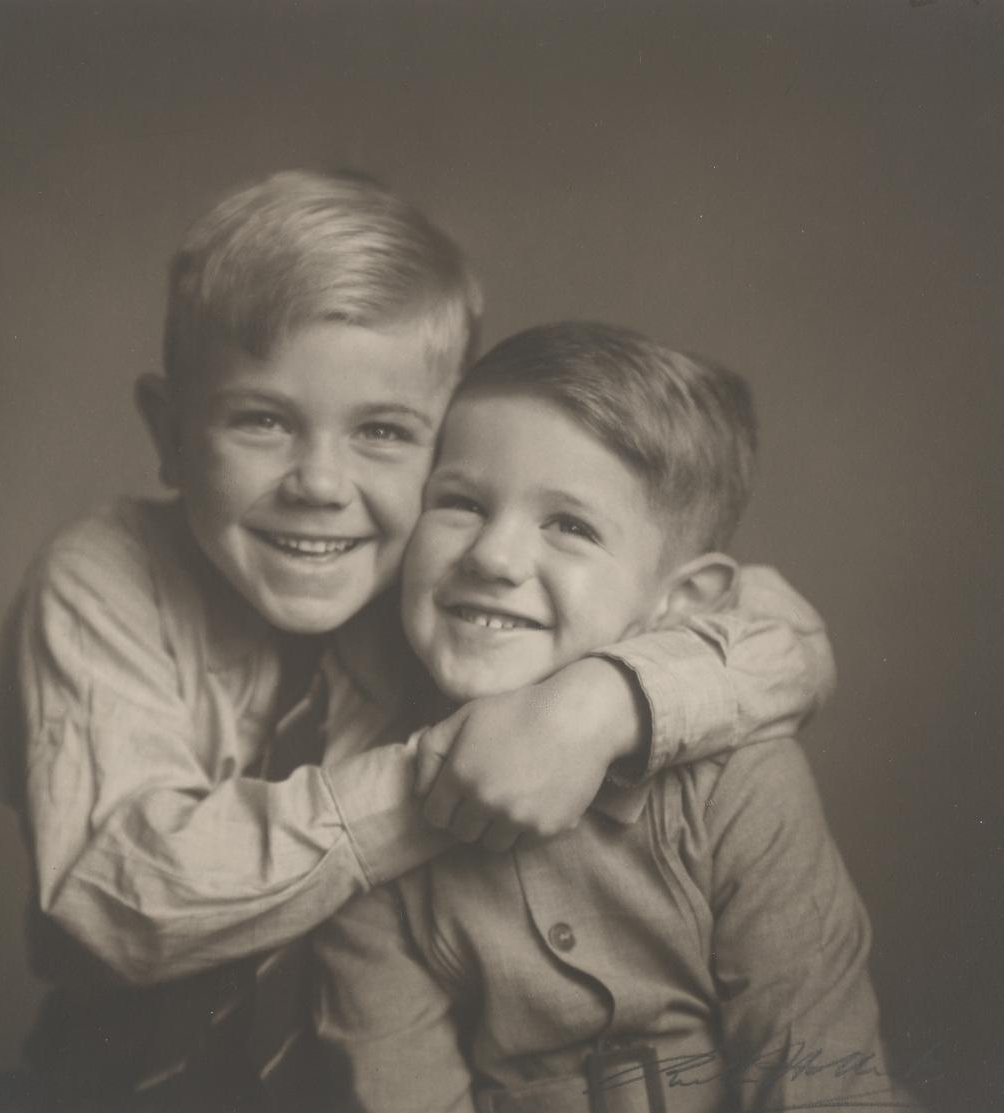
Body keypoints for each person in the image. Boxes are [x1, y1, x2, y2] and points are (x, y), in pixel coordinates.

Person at [0, 172, 835, 1111]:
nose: (319, 482)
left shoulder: (465, 588)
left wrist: (598, 705)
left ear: (449, 443)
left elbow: (778, 635)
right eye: (261, 420)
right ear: (170, 430)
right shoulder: (103, 575)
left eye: (384, 432)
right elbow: (108, 899)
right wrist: (446, 777)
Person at [315, 322, 912, 1113]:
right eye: (459, 502)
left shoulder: (741, 783)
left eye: (569, 525)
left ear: (682, 602)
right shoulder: (368, 817)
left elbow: (821, 1080)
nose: (493, 556)